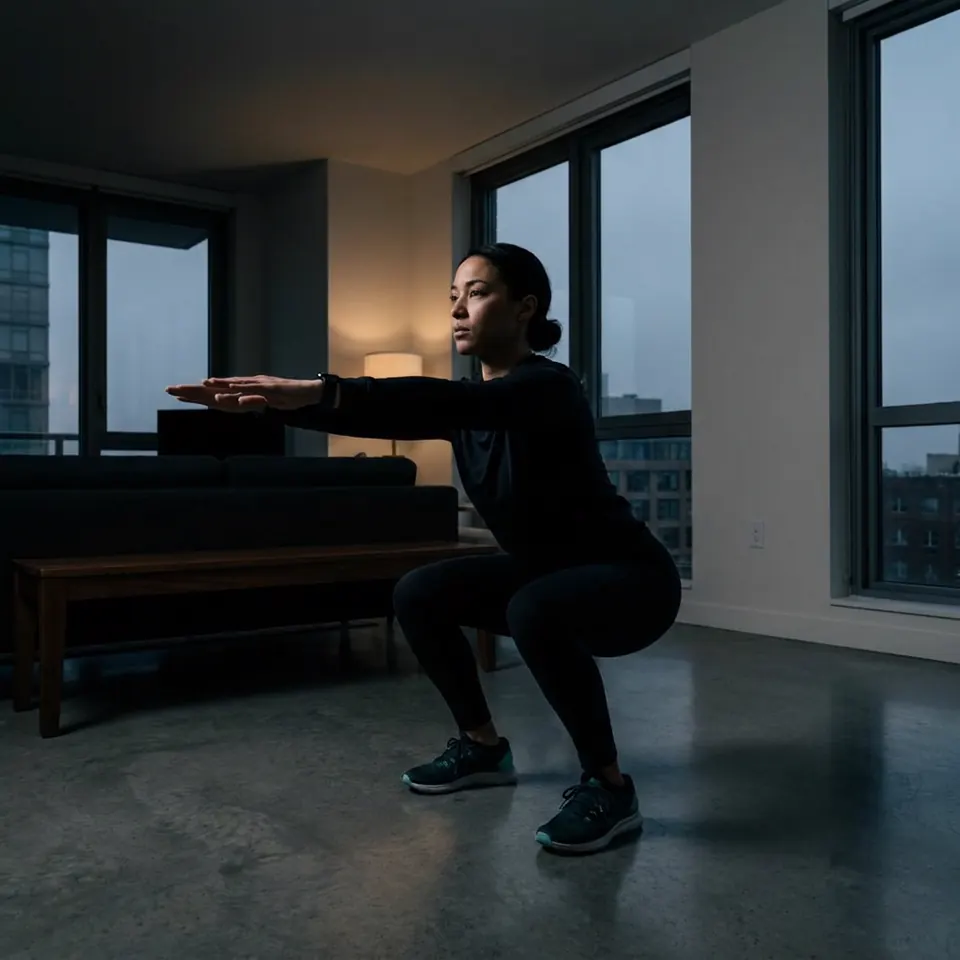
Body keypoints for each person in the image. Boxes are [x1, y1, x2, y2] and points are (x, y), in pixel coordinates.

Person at [166, 242, 682, 855]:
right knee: (420, 591)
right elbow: (391, 415)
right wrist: (279, 405)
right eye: (454, 297)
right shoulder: (470, 407)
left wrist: (314, 388)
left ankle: (610, 788)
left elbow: (447, 400)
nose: (458, 309)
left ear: (525, 308)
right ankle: (483, 747)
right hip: (548, 573)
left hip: (633, 582)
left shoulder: (549, 387)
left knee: (533, 608)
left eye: (478, 293)